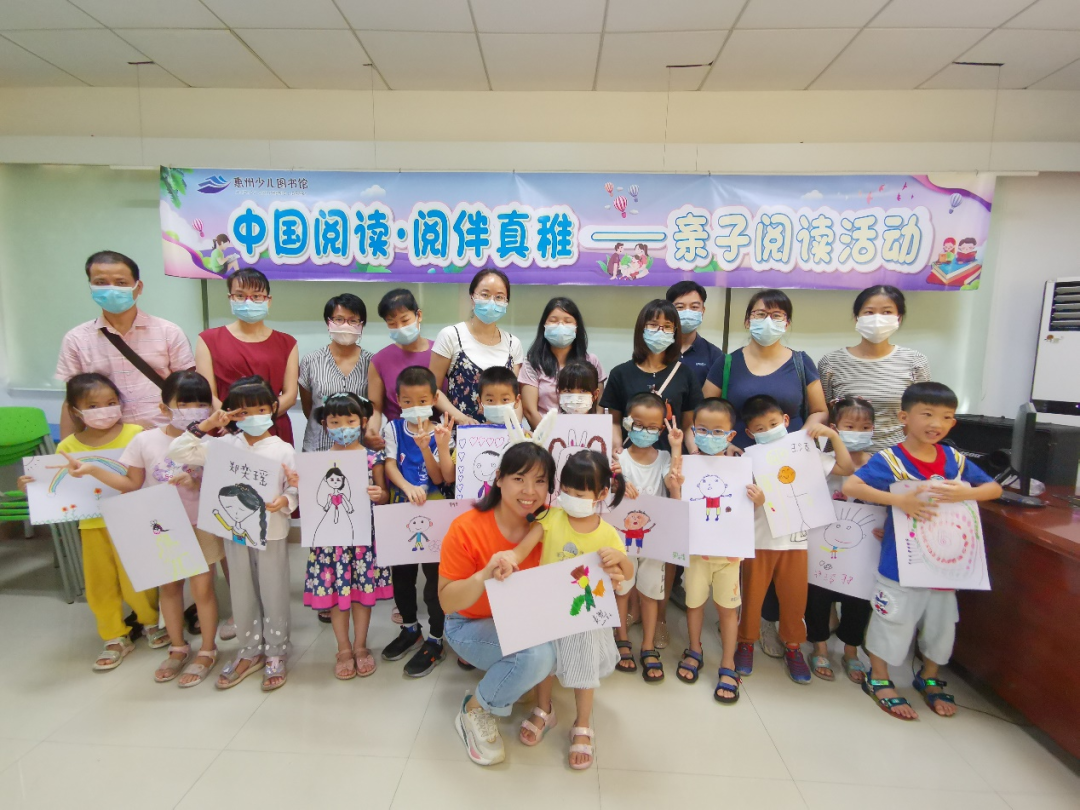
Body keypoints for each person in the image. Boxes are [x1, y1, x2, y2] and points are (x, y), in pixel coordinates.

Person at [843, 382, 1002, 720]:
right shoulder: (891, 459)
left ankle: (929, 676)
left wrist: (967, 493)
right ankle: (879, 677)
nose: (936, 424)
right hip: (901, 562)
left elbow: (994, 488)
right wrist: (897, 500)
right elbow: (852, 485)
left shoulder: (954, 460)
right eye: (927, 414)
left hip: (947, 564)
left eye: (946, 417)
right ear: (904, 417)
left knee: (942, 626)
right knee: (892, 619)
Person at [65, 370, 223, 687]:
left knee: (203, 590)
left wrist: (195, 482)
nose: (193, 411)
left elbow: (222, 488)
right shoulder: (145, 440)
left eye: (200, 404)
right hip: (161, 526)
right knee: (169, 589)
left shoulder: (213, 443)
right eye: (183, 404)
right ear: (164, 408)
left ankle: (208, 649)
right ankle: (178, 647)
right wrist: (93, 469)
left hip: (201, 524)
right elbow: (130, 483)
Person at [20, 373, 166, 670]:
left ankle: (150, 622)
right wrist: (31, 487)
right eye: (93, 406)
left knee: (138, 575)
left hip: (132, 518)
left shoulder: (136, 433)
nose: (104, 411)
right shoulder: (68, 446)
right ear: (76, 411)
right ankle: (114, 635)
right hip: (92, 525)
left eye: (111, 403)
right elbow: (56, 485)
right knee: (100, 581)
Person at [168, 376, 298, 692]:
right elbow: (179, 451)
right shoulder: (223, 446)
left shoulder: (282, 449)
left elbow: (294, 486)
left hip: (272, 531)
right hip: (235, 531)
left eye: (260, 410)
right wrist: (209, 424)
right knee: (241, 591)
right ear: (231, 414)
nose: (253, 417)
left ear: (273, 409)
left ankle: (276, 649)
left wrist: (285, 500)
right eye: (243, 412)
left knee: (273, 589)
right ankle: (249, 650)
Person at [437, 444, 564, 766]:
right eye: (519, 479)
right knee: (538, 655)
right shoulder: (466, 527)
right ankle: (474, 709)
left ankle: (519, 677)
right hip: (468, 624)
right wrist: (483, 575)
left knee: (558, 645)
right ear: (499, 479)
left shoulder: (551, 525)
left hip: (524, 621)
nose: (530, 491)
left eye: (540, 481)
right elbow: (447, 602)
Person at [511, 451, 631, 770]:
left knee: (583, 666)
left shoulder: (607, 534)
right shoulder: (551, 518)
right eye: (565, 490)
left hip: (584, 616)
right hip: (549, 608)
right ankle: (544, 709)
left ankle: (582, 722)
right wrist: (509, 560)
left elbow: (627, 572)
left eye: (579, 494)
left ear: (601, 494)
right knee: (545, 662)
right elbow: (523, 548)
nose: (570, 498)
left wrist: (620, 561)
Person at [734, 395, 853, 684]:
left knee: (794, 599)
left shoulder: (806, 452)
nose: (768, 430)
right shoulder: (747, 459)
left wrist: (832, 437)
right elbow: (738, 504)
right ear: (749, 432)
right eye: (760, 428)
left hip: (796, 543)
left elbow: (846, 468)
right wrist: (757, 501)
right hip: (759, 542)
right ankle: (746, 643)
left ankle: (793, 646)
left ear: (786, 421)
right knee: (751, 598)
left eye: (773, 423)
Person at [601, 298, 699, 649]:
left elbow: (688, 425)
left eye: (667, 327)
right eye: (653, 325)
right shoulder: (621, 373)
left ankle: (657, 618)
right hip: (628, 465)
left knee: (661, 549)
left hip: (665, 465)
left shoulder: (685, 373)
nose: (660, 332)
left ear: (676, 332)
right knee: (627, 546)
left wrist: (696, 456)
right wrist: (616, 452)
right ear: (641, 329)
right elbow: (612, 419)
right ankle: (629, 613)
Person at [670, 398, 759, 703]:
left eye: (718, 431)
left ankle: (728, 663)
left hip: (729, 557)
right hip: (696, 554)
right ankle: (694, 649)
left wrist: (759, 500)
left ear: (731, 435)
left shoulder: (741, 467)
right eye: (703, 430)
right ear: (693, 431)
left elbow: (748, 511)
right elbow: (678, 505)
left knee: (727, 610)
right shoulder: (687, 465)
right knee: (694, 604)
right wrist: (675, 483)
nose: (710, 436)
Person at [300, 393, 392, 679]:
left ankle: (361, 646)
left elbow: (384, 496)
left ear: (362, 422)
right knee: (336, 595)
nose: (343, 428)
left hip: (363, 540)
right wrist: (298, 484)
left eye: (350, 421)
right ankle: (343, 648)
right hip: (330, 544)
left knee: (361, 596)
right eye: (335, 422)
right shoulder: (317, 462)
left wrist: (379, 494)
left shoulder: (373, 458)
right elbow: (312, 502)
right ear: (325, 425)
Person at [57, 250, 195, 436]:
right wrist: (66, 449)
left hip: (165, 436)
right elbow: (72, 401)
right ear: (91, 287)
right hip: (107, 441)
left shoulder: (169, 332)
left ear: (138, 287)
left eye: (121, 283)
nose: (111, 289)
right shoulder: (75, 339)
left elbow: (190, 391)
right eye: (101, 283)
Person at [381, 367, 455, 677]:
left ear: (435, 399)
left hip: (436, 515)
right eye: (407, 401)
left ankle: (436, 638)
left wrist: (428, 447)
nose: (415, 407)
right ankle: (410, 629)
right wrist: (406, 487)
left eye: (422, 401)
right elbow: (389, 464)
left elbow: (441, 478)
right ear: (397, 400)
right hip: (401, 512)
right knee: (401, 577)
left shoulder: (442, 431)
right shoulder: (393, 428)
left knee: (435, 581)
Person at [611, 392, 683, 679]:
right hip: (621, 541)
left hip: (654, 542)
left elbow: (673, 484)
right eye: (639, 424)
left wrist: (676, 448)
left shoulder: (664, 458)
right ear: (627, 422)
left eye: (653, 427)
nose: (645, 431)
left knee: (651, 593)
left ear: (661, 429)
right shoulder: (618, 458)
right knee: (622, 590)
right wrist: (617, 483)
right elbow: (608, 495)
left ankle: (648, 645)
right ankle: (622, 639)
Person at [806, 396, 877, 684]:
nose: (858, 433)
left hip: (863, 548)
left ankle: (851, 650)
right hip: (823, 543)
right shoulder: (824, 461)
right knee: (818, 596)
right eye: (850, 426)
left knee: (858, 601)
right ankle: (820, 646)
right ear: (834, 428)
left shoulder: (879, 464)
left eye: (865, 427)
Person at [703, 289, 828, 449]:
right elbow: (703, 412)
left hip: (792, 457)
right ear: (747, 321)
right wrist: (724, 445)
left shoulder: (801, 362)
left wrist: (800, 439)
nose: (768, 320)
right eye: (761, 314)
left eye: (776, 315)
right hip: (738, 456)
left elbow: (819, 411)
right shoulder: (726, 363)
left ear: (786, 324)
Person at [818, 285, 931, 452]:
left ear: (898, 318)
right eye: (869, 312)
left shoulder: (915, 361)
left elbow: (920, 416)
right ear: (857, 318)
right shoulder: (831, 362)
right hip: (843, 458)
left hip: (894, 458)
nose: (877, 319)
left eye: (887, 312)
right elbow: (827, 415)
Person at [196, 268, 298, 446]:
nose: (248, 301)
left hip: (271, 428)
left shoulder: (287, 342)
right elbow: (208, 393)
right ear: (230, 298)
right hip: (225, 428)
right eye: (240, 295)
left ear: (268, 300)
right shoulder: (208, 339)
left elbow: (290, 395)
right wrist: (232, 421)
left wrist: (258, 421)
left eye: (256, 296)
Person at [430, 269, 524, 423]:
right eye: (485, 295)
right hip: (460, 431)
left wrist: (516, 429)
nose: (492, 302)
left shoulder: (513, 344)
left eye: (499, 297)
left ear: (506, 302)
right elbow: (432, 389)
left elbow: (515, 397)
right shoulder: (451, 335)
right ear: (472, 297)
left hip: (503, 433)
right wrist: (461, 418)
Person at [367, 288, 456, 448]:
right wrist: (371, 431)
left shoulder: (441, 352)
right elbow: (375, 407)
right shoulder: (379, 360)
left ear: (418, 315)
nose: (400, 327)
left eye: (405, 320)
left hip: (439, 439)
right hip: (399, 441)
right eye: (392, 323)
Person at [297, 293, 372, 452]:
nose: (345, 325)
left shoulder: (372, 363)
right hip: (317, 448)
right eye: (339, 319)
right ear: (328, 322)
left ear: (362, 325)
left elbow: (374, 406)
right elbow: (308, 407)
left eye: (353, 320)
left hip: (359, 449)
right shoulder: (311, 361)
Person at [519, 297, 606, 429]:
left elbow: (599, 407)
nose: (560, 326)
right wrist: (552, 436)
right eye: (553, 321)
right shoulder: (532, 362)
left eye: (567, 321)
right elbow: (530, 411)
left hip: (585, 433)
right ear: (544, 326)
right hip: (544, 434)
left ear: (576, 327)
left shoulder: (591, 361)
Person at [666, 280, 723, 387]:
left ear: (703, 311)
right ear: (669, 310)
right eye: (680, 307)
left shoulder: (714, 355)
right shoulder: (658, 349)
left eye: (694, 307)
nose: (687, 312)